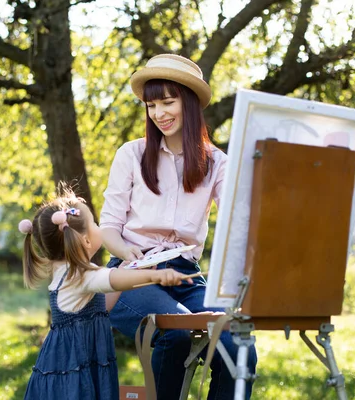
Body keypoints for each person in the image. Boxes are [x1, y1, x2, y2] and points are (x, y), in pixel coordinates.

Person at [100, 54, 257, 399]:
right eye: (152, 105)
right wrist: (127, 251)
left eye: (168, 102)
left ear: (188, 103)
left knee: (237, 342)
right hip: (133, 274)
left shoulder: (216, 163)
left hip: (187, 277)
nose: (159, 114)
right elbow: (108, 228)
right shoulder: (131, 154)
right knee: (177, 332)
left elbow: (239, 219)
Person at [19, 186, 193, 400]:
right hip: (75, 372)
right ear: (86, 240)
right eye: (94, 223)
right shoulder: (80, 275)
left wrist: (126, 269)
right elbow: (111, 279)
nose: (97, 226)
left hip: (65, 365)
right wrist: (156, 276)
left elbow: (101, 306)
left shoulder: (62, 271)